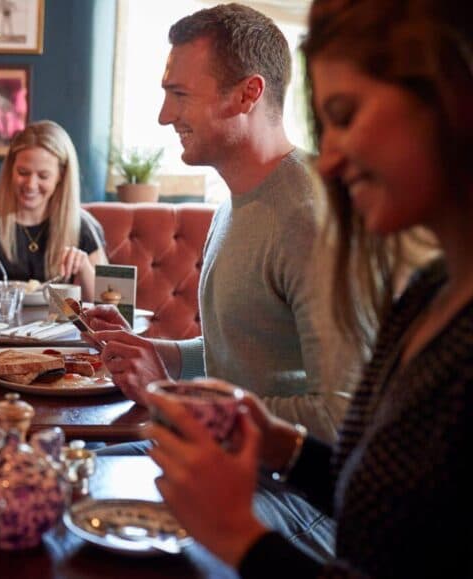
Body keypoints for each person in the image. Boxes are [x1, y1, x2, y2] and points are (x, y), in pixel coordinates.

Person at [145, 0, 472, 576]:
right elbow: (373, 479)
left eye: (345, 115)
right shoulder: (432, 294)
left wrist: (242, 539)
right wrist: (276, 442)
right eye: (325, 122)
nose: (326, 162)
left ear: (453, 105)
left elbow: (344, 421)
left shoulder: (309, 219)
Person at [88, 3, 350, 442]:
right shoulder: (234, 201)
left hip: (295, 494)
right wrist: (159, 355)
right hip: (224, 460)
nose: (164, 115)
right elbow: (240, 358)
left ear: (248, 94)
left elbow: (341, 416)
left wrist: (174, 397)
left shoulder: (310, 219)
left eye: (180, 94)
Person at [0, 120, 106, 301]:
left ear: (61, 176)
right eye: (23, 172)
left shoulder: (81, 225)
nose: (30, 185)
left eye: (43, 176)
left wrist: (84, 267)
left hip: (58, 328)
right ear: (11, 170)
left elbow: (106, 307)